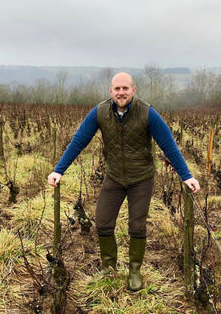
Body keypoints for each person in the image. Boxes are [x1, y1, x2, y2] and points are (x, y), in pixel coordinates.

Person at [47, 72, 200, 291]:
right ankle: (109, 267)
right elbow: (79, 140)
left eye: (125, 89)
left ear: (133, 91)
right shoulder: (99, 112)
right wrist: (58, 170)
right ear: (111, 91)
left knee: (137, 225)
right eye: (117, 89)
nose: (121, 92)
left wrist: (186, 175)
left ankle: (134, 270)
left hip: (141, 178)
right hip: (115, 176)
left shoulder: (148, 113)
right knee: (103, 221)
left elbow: (168, 144)